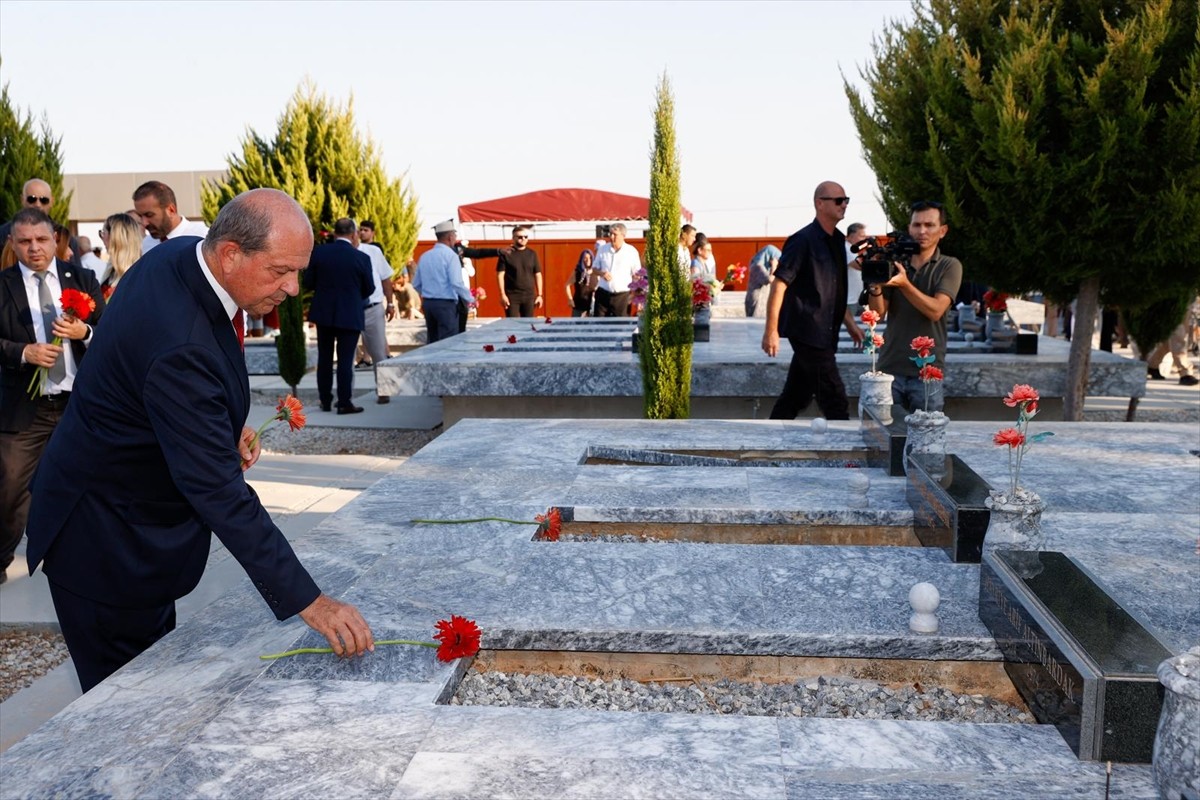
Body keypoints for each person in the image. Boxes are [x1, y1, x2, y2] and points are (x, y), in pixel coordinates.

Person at [24, 189, 374, 692]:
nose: (294, 288)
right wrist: (310, 601)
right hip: (108, 543)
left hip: (123, 519)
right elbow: (217, 491)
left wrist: (218, 428)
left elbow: (153, 387)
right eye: (280, 271)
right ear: (230, 253)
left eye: (299, 271)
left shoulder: (180, 258)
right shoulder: (180, 341)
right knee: (126, 706)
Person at [1, 208, 105, 585]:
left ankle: (79, 557)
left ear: (55, 240)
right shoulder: (2, 285)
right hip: (23, 410)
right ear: (12, 243)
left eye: (41, 240)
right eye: (25, 241)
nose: (34, 248)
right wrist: (23, 352)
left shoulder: (83, 278)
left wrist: (84, 333)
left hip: (77, 407)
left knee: (86, 486)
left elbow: (109, 333)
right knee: (10, 493)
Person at [761, 181, 864, 420]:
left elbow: (834, 291)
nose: (844, 205)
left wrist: (850, 324)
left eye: (846, 200)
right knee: (834, 398)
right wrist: (770, 331)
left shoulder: (839, 241)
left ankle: (769, 440)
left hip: (826, 332)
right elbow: (779, 284)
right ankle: (845, 453)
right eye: (838, 200)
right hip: (808, 331)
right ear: (820, 203)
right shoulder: (802, 240)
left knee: (796, 396)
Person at [867, 200, 963, 413]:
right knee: (884, 441)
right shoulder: (896, 263)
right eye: (916, 225)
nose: (922, 231)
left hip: (927, 372)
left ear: (942, 230)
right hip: (889, 368)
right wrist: (874, 282)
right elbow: (877, 314)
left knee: (926, 442)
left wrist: (904, 284)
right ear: (909, 228)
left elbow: (936, 310)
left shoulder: (949, 265)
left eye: (929, 225)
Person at [303, 218, 375, 415]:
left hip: (324, 312)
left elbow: (308, 282)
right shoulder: (361, 258)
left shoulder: (319, 253)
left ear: (335, 234)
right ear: (353, 235)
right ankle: (344, 402)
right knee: (345, 360)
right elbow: (369, 288)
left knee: (325, 358)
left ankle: (325, 400)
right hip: (350, 314)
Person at [414, 219, 474, 343]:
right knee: (448, 343)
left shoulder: (425, 256)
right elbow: (456, 283)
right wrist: (471, 299)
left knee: (433, 341)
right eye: (455, 235)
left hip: (429, 304)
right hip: (446, 304)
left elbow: (416, 284)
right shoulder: (451, 256)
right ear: (450, 237)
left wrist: (429, 293)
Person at [356, 230, 397, 404]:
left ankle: (383, 390)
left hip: (372, 307)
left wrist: (390, 303)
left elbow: (386, 278)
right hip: (351, 309)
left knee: (379, 351)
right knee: (347, 355)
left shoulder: (373, 251)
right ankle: (345, 397)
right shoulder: (342, 253)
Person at [0, 179, 81, 257]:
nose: (38, 204)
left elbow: (75, 270)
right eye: (32, 199)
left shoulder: (65, 238)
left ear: (52, 201)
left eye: (44, 200)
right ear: (22, 200)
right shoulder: (3, 233)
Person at [133, 180, 209, 252]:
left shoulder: (202, 237)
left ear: (171, 210)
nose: (144, 223)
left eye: (149, 215)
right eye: (140, 216)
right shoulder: (146, 244)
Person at [592, 223, 641, 317]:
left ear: (623, 236)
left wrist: (635, 294)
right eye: (610, 233)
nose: (611, 236)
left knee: (621, 327)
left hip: (622, 296)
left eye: (615, 234)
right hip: (603, 294)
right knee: (599, 326)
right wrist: (602, 273)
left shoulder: (631, 252)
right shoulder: (602, 249)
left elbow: (637, 275)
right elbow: (594, 269)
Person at [497, 225, 543, 317]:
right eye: (520, 237)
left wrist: (539, 295)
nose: (523, 239)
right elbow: (500, 275)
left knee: (528, 325)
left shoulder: (532, 254)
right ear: (513, 238)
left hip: (529, 295)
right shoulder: (506, 254)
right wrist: (502, 294)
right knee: (513, 324)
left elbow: (538, 274)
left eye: (526, 237)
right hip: (512, 296)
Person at [96, 212, 143, 298]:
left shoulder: (137, 275)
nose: (102, 238)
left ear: (115, 237)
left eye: (103, 233)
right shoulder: (112, 269)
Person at [745, 244, 781, 318]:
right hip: (757, 303)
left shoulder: (762, 266)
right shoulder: (758, 266)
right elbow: (770, 279)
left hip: (761, 302)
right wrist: (774, 266)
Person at [845, 222, 867, 314]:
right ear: (851, 236)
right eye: (861, 236)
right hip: (849, 300)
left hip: (857, 299)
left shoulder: (852, 250)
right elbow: (857, 265)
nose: (864, 239)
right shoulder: (846, 248)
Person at [566, 248, 596, 317]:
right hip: (578, 307)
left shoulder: (596, 272)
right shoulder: (577, 272)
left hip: (592, 307)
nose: (588, 260)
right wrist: (570, 299)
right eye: (585, 258)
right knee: (576, 327)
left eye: (590, 258)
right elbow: (567, 285)